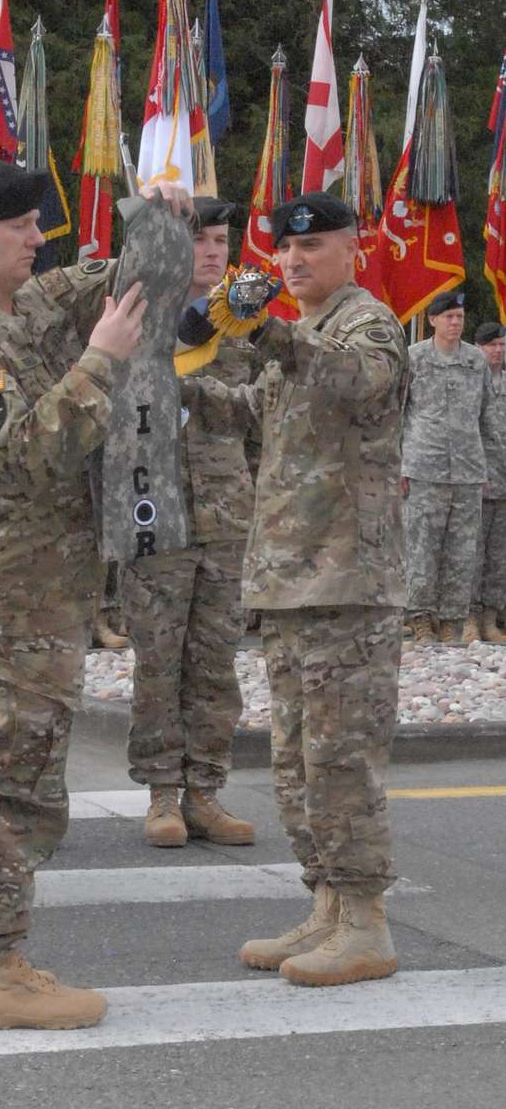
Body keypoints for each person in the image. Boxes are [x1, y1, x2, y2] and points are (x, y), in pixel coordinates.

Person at [0, 155, 191, 1032]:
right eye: (19, 228)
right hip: (5, 598)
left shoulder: (6, 303)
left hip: (17, 592)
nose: (37, 240)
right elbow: (27, 453)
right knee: (11, 785)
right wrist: (101, 364)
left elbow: (78, 285)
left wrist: (156, 228)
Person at [186, 193, 407, 987]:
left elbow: (355, 384)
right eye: (284, 252)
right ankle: (325, 907)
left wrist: (270, 331)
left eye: (310, 249)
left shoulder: (364, 324)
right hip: (286, 580)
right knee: (296, 764)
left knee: (341, 760)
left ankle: (366, 923)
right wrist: (174, 381)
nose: (292, 262)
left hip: (346, 581)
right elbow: (250, 410)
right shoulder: (303, 333)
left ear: (353, 248)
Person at [123, 196, 255, 848]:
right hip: (157, 510)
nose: (211, 251)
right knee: (158, 658)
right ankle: (160, 797)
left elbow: (262, 415)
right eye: (198, 239)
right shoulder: (138, 318)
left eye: (220, 240)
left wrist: (205, 397)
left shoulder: (243, 324)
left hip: (226, 514)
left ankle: (205, 791)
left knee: (214, 661)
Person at [400, 288, 494, 645]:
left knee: (463, 549)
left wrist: (485, 467)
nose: (455, 323)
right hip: (424, 466)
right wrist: (400, 466)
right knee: (422, 546)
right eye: (449, 317)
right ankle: (421, 619)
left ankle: (453, 621)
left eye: (460, 317)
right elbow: (398, 413)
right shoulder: (414, 359)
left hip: (469, 469)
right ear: (434, 320)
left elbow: (486, 417)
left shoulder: (475, 361)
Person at [470, 323, 506, 643]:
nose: (497, 351)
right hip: (475, 481)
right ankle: (467, 617)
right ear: (477, 346)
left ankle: (492, 618)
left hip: (504, 483)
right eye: (491, 345)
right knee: (471, 554)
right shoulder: (468, 381)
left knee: (499, 556)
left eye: (502, 345)